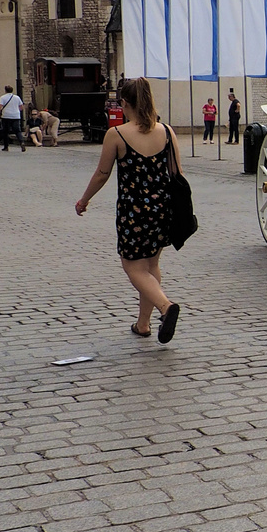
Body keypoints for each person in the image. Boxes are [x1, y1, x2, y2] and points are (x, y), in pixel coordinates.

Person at [75, 77, 184, 344]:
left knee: (133, 268)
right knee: (151, 265)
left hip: (133, 211)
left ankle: (165, 307)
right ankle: (143, 324)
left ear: (124, 103)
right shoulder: (167, 132)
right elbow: (178, 174)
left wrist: (84, 200)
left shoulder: (117, 134)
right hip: (162, 208)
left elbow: (102, 174)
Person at [0, 86, 25, 151]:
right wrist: (16, 111)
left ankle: (6, 146)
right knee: (17, 131)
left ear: (5, 90)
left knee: (5, 131)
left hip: (6, 116)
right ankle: (22, 142)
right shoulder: (17, 97)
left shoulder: (3, 97)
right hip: (16, 116)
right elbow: (21, 107)